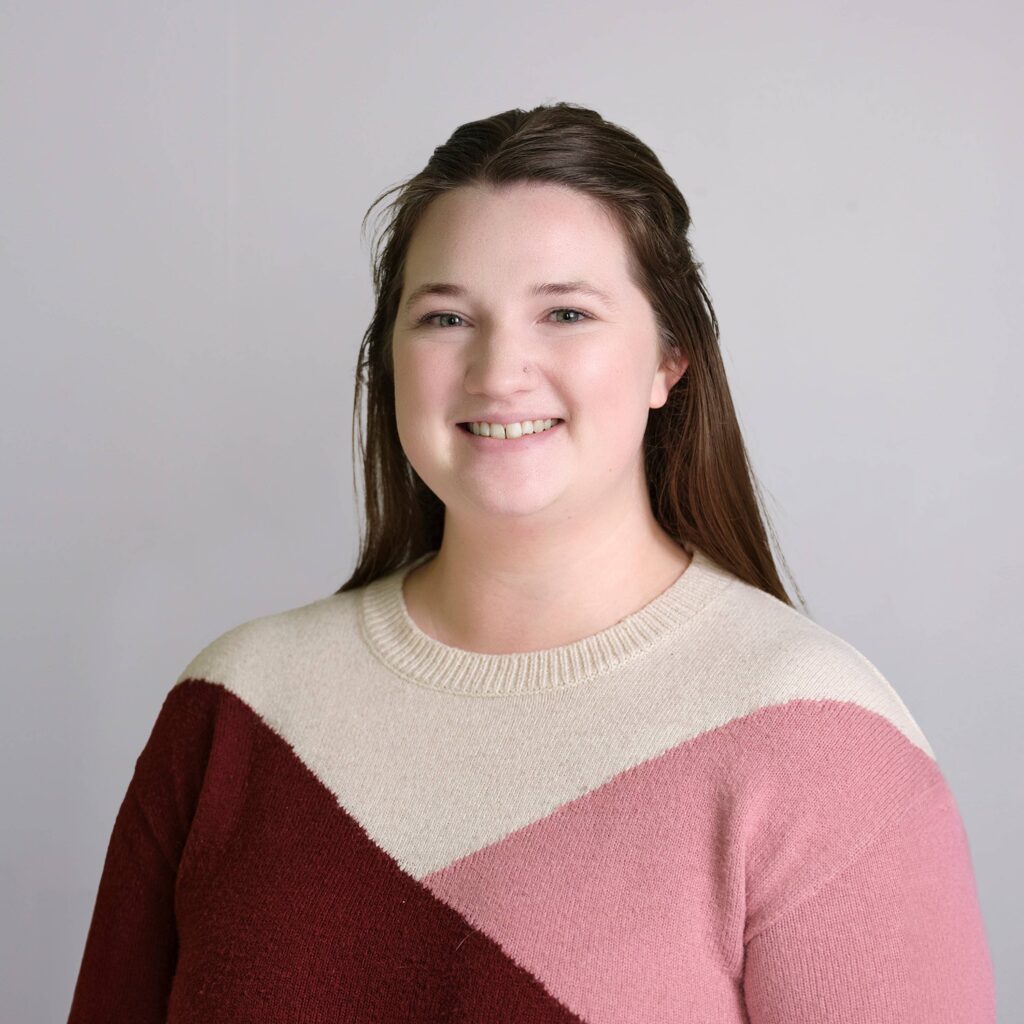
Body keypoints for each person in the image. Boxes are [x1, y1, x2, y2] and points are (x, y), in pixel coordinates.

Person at [67, 102, 996, 1023]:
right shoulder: (236, 709)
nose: (499, 370)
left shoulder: (816, 743)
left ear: (671, 358)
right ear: (386, 358)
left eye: (565, 311)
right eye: (444, 318)